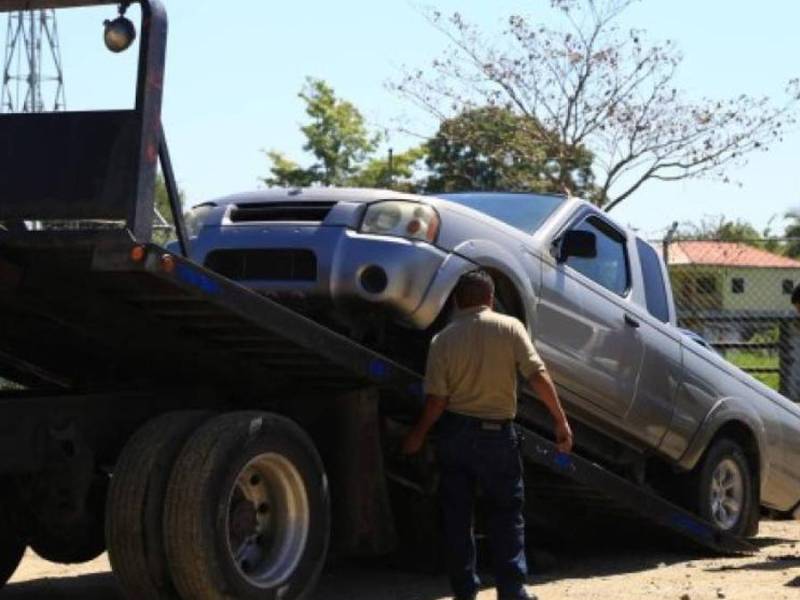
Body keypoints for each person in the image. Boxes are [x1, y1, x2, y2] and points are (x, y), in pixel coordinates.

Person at [402, 269, 573, 600]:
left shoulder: (443, 340)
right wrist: (560, 421)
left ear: (456, 301)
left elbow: (437, 401)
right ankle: (512, 589)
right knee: (506, 513)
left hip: (456, 434)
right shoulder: (510, 328)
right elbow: (537, 375)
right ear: (491, 299)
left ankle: (465, 590)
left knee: (457, 516)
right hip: (498, 436)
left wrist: (418, 434)